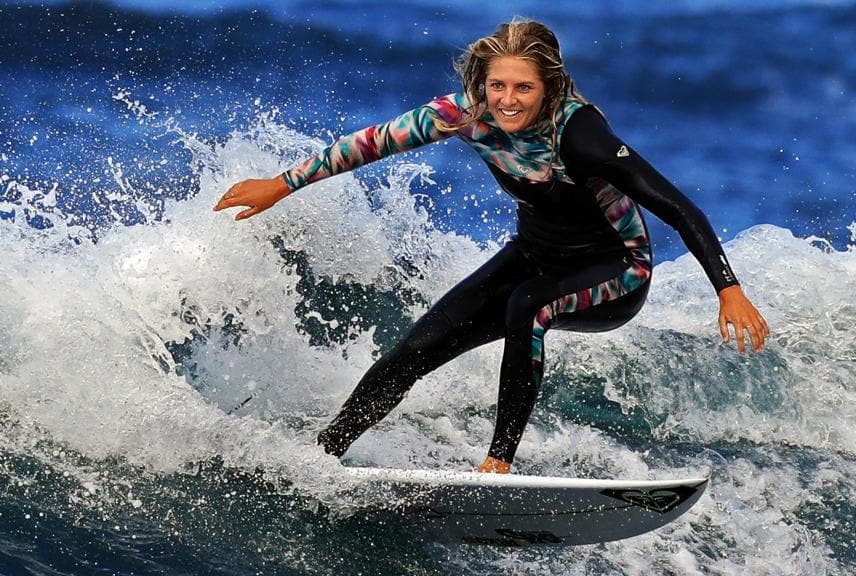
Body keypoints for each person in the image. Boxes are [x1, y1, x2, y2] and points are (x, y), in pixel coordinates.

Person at [214, 20, 769, 474]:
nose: (507, 100)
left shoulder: (579, 135)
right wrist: (282, 184)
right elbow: (373, 142)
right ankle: (322, 455)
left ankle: (497, 463)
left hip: (617, 271)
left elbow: (676, 205)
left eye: (523, 88)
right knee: (417, 348)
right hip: (534, 255)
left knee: (529, 304)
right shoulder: (464, 115)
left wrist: (729, 289)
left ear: (548, 88)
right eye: (497, 86)